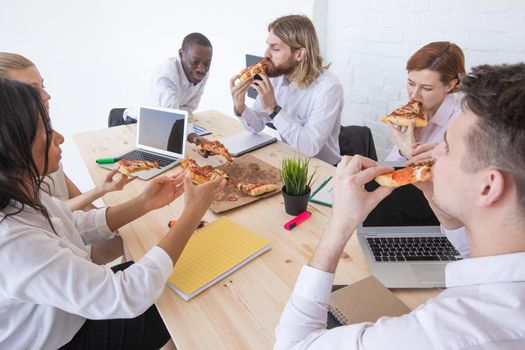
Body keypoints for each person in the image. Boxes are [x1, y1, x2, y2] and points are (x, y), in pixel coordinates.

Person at [274, 63, 525, 349]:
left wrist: (339, 225)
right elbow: (479, 256)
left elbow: (293, 344)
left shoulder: (436, 335)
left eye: (447, 145)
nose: (433, 151)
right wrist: (441, 202)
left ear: (489, 187)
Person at [0, 77, 225, 349]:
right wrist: (191, 213)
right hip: (62, 338)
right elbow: (125, 295)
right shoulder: (12, 242)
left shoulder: (20, 193)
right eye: (46, 131)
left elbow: (74, 226)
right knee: (179, 304)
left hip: (67, 312)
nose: (59, 137)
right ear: (13, 149)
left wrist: (144, 203)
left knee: (170, 274)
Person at [0, 52, 130, 264]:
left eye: (43, 85)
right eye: (33, 89)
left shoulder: (40, 146)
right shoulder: (16, 183)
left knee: (135, 236)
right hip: (70, 251)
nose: (46, 95)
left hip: (76, 241)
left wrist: (108, 214)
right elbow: (55, 218)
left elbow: (68, 198)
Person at [230, 15, 343, 165]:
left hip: (322, 167)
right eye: (268, 46)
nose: (266, 54)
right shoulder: (276, 76)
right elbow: (257, 125)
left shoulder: (329, 89)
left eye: (275, 48)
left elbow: (310, 147)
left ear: (300, 54)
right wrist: (240, 107)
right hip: (288, 160)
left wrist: (273, 109)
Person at [385, 41, 466, 161]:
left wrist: (412, 155)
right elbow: (389, 169)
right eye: (411, 84)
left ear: (450, 85)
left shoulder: (464, 122)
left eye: (426, 88)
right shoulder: (413, 113)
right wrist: (402, 152)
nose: (414, 95)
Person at [123, 32, 213, 122]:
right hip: (139, 122)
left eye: (206, 64)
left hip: (166, 122)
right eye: (195, 62)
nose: (201, 69)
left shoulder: (204, 73)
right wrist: (189, 134)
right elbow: (171, 117)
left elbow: (189, 109)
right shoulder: (166, 75)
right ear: (181, 54)